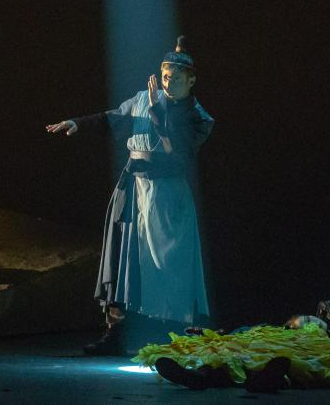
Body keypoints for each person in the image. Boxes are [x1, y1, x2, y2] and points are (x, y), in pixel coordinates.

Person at [46, 36, 213, 354]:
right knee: (123, 258)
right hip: (134, 188)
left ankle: (172, 333)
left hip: (167, 195)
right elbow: (114, 118)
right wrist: (78, 123)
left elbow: (178, 151)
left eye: (176, 78)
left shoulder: (198, 117)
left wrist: (157, 113)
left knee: (169, 263)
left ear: (191, 80)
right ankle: (117, 333)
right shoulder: (143, 99)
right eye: (166, 76)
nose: (169, 83)